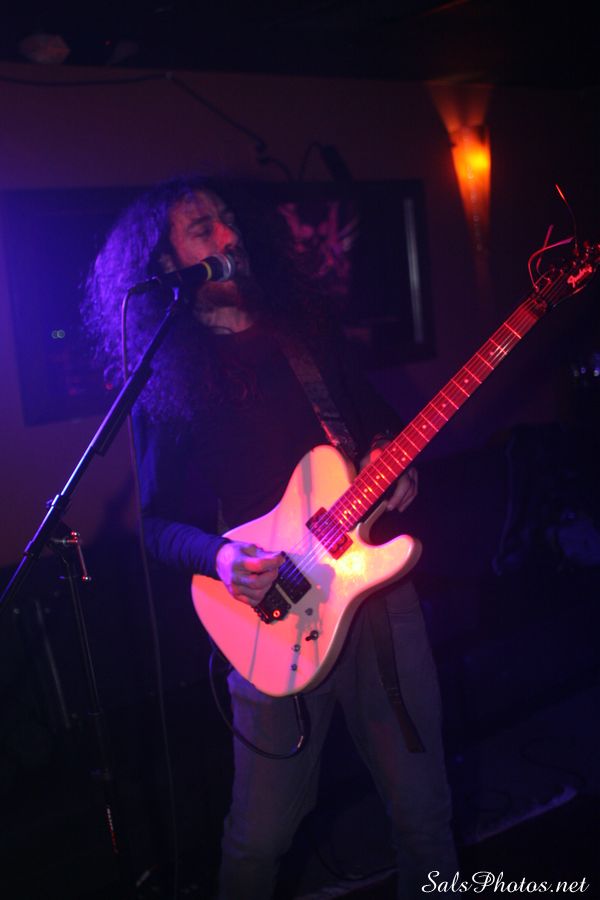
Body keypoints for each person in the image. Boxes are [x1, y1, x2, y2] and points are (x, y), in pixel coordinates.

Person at [83, 176, 458, 899]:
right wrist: (222, 557)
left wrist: (394, 460)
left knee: (424, 815)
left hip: (375, 602)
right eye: (203, 228)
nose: (229, 235)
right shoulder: (167, 375)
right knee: (256, 842)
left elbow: (379, 422)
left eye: (229, 219)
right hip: (269, 618)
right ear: (165, 262)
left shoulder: (305, 332)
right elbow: (156, 523)